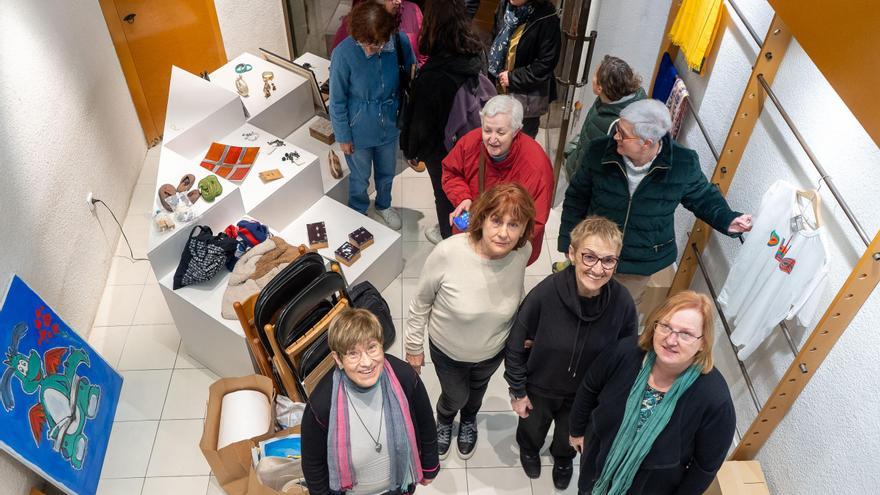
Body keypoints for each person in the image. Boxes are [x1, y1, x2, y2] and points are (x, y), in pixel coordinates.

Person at [558, 98, 753, 307]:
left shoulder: (682, 163)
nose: (615, 136)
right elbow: (576, 197)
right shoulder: (599, 151)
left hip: (639, 261)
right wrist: (567, 241)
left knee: (618, 312)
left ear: (646, 143)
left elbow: (703, 197)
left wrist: (727, 219)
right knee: (580, 304)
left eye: (623, 134)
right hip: (596, 250)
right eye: (617, 128)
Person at [504, 216, 637, 490]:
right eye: (589, 257)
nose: (597, 269)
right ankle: (529, 450)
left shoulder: (623, 303)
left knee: (568, 435)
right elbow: (516, 343)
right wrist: (518, 391)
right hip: (540, 387)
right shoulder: (545, 294)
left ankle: (563, 458)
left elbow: (627, 360)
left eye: (608, 260)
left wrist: (608, 404)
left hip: (585, 395)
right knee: (532, 428)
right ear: (572, 254)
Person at [406, 183, 536, 461]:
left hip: (492, 352)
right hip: (449, 350)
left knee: (477, 392)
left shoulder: (520, 254)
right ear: (482, 218)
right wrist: (413, 347)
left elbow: (516, 291)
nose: (503, 233)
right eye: (497, 220)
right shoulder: (448, 252)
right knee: (456, 395)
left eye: (514, 225)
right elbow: (420, 303)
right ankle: (444, 417)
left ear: (524, 229)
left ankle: (468, 420)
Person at [569, 290, 736, 494]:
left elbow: (704, 468)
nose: (671, 340)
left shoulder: (714, 399)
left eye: (686, 334)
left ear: (703, 342)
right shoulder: (625, 352)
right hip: (595, 471)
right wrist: (576, 431)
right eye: (665, 326)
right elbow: (589, 387)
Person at [301, 308, 439, 494]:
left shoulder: (405, 377)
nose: (366, 362)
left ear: (382, 346)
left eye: (372, 347)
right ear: (338, 359)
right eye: (353, 353)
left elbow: (426, 424)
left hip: (400, 487)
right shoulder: (321, 404)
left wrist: (430, 466)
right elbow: (313, 464)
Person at [400, 0, 486, 244]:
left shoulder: (434, 76)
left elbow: (421, 126)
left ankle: (451, 238)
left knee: (445, 194)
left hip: (443, 150)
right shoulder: (476, 51)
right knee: (466, 192)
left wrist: (412, 150)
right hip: (470, 139)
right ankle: (466, 232)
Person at [329, 1, 416, 230]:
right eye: (364, 44)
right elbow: (336, 101)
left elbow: (411, 76)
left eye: (376, 44)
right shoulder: (343, 54)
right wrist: (343, 136)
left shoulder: (399, 42)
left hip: (390, 123)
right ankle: (358, 210)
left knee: (387, 172)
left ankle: (383, 205)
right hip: (358, 130)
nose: (369, 50)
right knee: (359, 177)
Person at [442, 95, 553, 265]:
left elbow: (535, 220)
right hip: (472, 233)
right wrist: (463, 197)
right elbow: (451, 171)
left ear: (516, 131)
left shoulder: (536, 164)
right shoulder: (470, 142)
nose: (492, 139)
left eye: (500, 132)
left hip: (509, 246)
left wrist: (498, 243)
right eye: (487, 130)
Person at [565, 55, 647, 182]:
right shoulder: (608, 98)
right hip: (577, 165)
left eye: (594, 76)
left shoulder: (617, 126)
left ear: (600, 88)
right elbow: (590, 132)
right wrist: (573, 151)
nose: (592, 78)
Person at [488, 0, 561, 138]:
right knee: (496, 139)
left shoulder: (547, 18)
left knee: (521, 145)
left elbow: (546, 63)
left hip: (526, 99)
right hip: (497, 88)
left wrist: (513, 78)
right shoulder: (505, 6)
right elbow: (494, 39)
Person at [332, 0, 426, 66]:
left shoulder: (413, 10)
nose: (398, 1)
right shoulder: (355, 22)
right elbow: (338, 64)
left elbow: (424, 55)